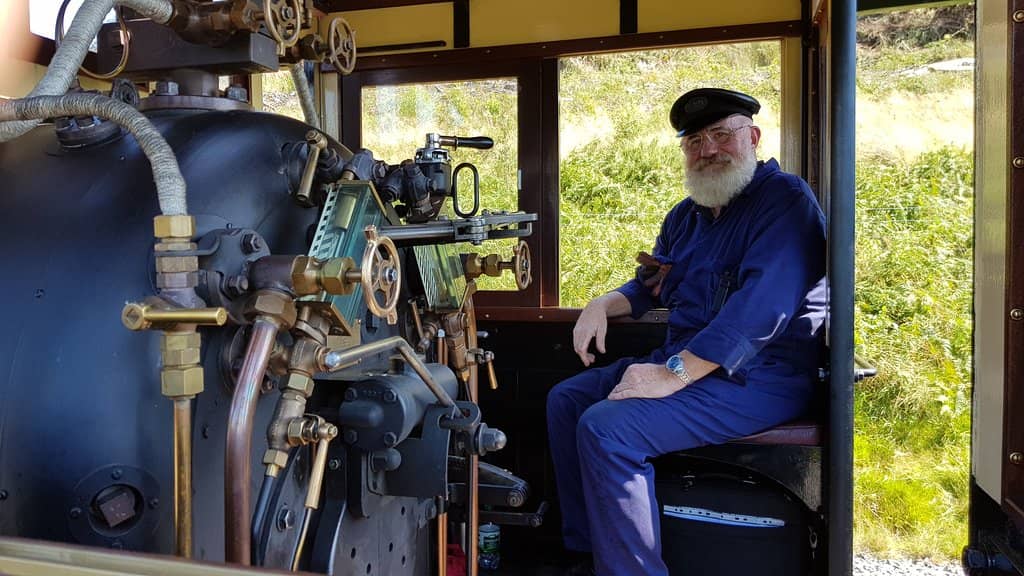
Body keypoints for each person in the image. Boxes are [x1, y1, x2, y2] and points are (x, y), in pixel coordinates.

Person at [545, 87, 827, 576]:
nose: (709, 149)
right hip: (690, 365)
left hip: (761, 378)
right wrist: (600, 304)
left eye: (722, 134)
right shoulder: (687, 215)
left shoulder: (784, 202)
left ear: (753, 137)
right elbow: (651, 282)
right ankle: (586, 551)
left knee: (608, 429)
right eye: (695, 140)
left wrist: (672, 374)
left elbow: (761, 311)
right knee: (567, 401)